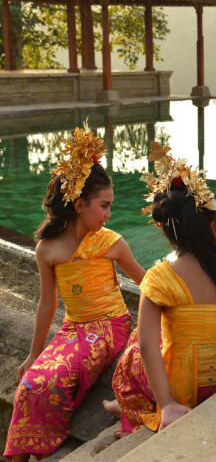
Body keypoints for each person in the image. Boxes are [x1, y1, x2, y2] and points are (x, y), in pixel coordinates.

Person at [3, 127, 145, 461]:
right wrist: (32, 354)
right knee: (30, 383)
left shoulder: (111, 242)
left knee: (55, 380)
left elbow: (148, 283)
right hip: (73, 329)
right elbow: (47, 302)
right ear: (80, 205)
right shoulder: (47, 249)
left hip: (111, 327)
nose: (108, 215)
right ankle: (23, 456)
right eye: (104, 206)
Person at [107, 142, 216, 434]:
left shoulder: (159, 277)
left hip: (182, 394)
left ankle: (133, 413)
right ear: (215, 226)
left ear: (169, 234)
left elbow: (147, 347)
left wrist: (167, 403)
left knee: (133, 352)